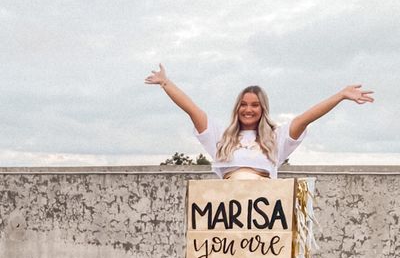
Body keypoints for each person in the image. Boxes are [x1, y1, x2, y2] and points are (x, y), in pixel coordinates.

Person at [145, 65, 374, 179]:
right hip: (226, 212)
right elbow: (191, 109)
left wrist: (340, 95)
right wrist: (167, 84)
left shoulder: (275, 138)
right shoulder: (222, 137)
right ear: (237, 107)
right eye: (244, 104)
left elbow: (306, 118)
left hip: (262, 218)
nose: (248, 109)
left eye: (255, 105)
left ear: (262, 108)